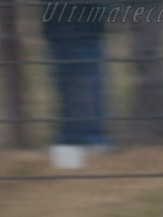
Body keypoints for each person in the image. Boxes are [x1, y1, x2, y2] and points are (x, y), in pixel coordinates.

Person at [41, 1, 112, 167]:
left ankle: (91, 137)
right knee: (65, 83)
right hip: (58, 24)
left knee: (85, 80)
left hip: (83, 25)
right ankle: (71, 137)